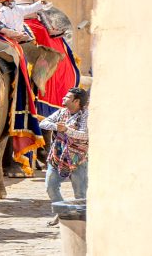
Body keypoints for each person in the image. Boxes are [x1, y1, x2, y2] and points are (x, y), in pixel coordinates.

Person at [39, 87, 90, 226]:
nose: (63, 99)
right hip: (57, 156)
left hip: (79, 159)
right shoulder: (62, 112)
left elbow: (84, 134)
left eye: (67, 97)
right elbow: (43, 123)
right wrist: (56, 126)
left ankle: (82, 222)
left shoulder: (86, 115)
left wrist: (66, 130)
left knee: (80, 193)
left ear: (76, 101)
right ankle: (63, 212)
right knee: (50, 186)